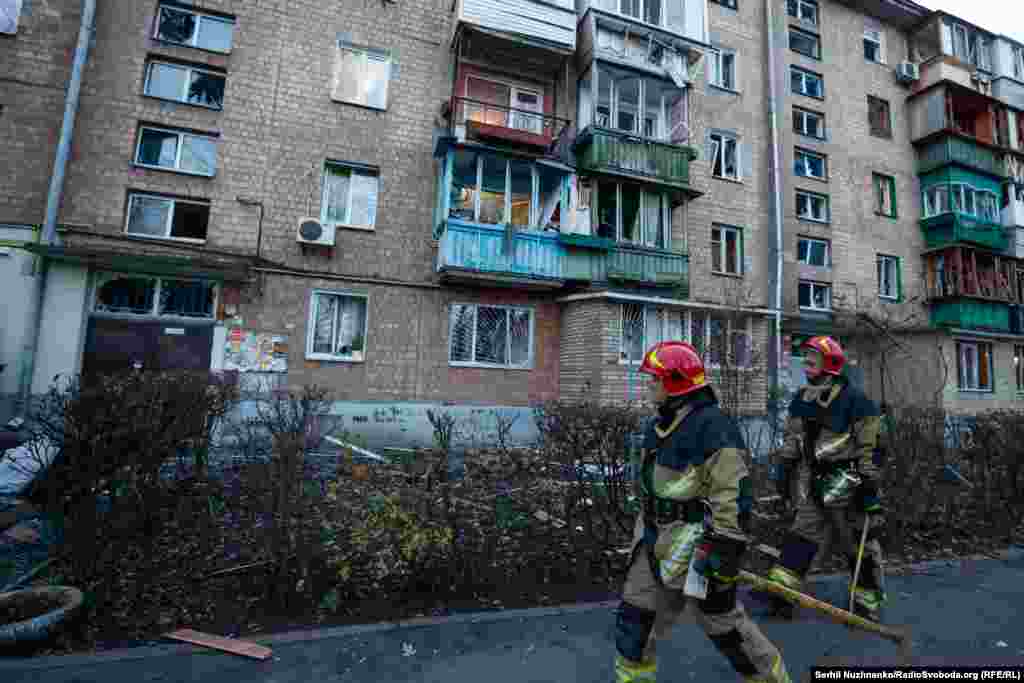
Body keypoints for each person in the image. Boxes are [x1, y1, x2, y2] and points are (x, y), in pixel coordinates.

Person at [613, 341, 791, 683]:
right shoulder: (659, 425)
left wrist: (725, 549)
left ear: (675, 385)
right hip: (653, 540)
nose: (649, 386)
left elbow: (732, 494)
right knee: (635, 623)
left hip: (699, 545)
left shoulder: (713, 428)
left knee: (724, 627)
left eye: (655, 380)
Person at [762, 336, 886, 622]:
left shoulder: (855, 401)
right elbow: (793, 439)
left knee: (858, 545)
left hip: (849, 483)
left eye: (811, 357)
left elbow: (872, 447)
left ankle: (866, 601)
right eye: (804, 356)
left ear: (830, 364)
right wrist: (784, 471)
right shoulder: (802, 398)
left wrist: (869, 492)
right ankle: (782, 594)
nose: (805, 361)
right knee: (801, 537)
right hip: (815, 482)